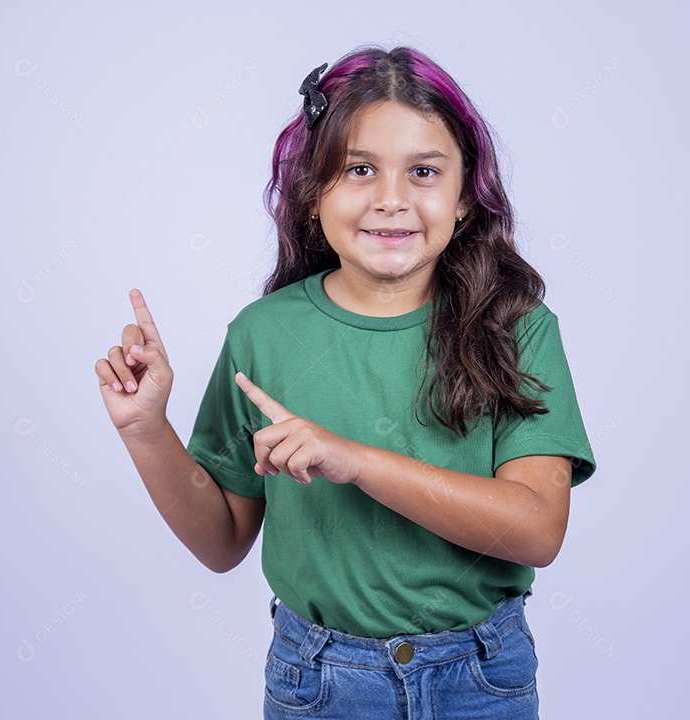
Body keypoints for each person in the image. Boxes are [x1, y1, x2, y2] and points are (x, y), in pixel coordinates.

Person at [95, 44, 596, 720]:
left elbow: (536, 529)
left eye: (423, 171)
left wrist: (354, 460)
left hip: (480, 679)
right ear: (312, 194)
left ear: (465, 198)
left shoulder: (518, 326)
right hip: (320, 682)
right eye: (360, 169)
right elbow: (222, 542)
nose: (391, 199)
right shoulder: (263, 335)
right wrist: (145, 430)